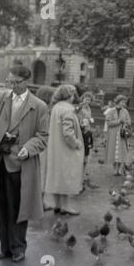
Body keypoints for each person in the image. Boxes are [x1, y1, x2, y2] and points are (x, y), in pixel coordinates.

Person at [0, 65, 49, 262]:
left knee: (18, 208)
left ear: (26, 81)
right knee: (0, 207)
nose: (12, 85)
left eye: (16, 82)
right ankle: (5, 248)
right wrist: (1, 138)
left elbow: (43, 136)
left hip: (21, 165)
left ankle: (18, 248)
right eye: (10, 81)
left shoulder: (39, 106)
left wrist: (28, 148)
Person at [44, 85, 84, 216]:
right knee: (67, 177)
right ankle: (66, 206)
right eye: (73, 95)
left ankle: (57, 204)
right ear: (70, 95)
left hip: (55, 148)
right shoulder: (68, 110)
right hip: (66, 150)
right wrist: (76, 143)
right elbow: (68, 133)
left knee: (57, 177)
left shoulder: (55, 107)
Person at [35, 86, 56, 212]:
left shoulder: (40, 109)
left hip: (40, 145)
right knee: (41, 174)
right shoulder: (44, 111)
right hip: (41, 146)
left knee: (40, 174)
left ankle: (39, 202)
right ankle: (39, 204)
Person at [105, 95, 131, 175]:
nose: (123, 103)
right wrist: (119, 121)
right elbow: (108, 123)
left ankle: (119, 169)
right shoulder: (111, 111)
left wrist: (126, 124)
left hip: (122, 134)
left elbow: (129, 121)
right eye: (122, 102)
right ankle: (114, 169)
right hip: (113, 134)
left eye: (124, 102)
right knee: (113, 151)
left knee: (121, 151)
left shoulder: (125, 111)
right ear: (118, 102)